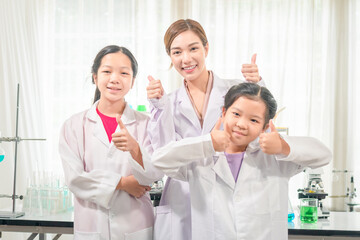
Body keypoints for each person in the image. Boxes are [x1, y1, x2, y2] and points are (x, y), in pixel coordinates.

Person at [151, 82, 332, 240]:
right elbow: (159, 160)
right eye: (236, 114)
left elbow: (324, 155)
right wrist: (208, 143)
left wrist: (284, 147)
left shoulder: (274, 159)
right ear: (224, 112)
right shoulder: (201, 158)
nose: (242, 124)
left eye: (254, 120)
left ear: (265, 126)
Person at [146, 19, 263, 240]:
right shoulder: (167, 102)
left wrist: (258, 86)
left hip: (228, 197)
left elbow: (259, 138)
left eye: (193, 48)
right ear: (170, 57)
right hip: (182, 200)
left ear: (206, 48)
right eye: (177, 52)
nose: (186, 59)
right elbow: (162, 156)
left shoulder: (235, 91)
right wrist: (158, 107)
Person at [59, 45, 162, 240]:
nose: (115, 79)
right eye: (107, 71)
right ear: (95, 77)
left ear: (132, 82)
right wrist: (122, 183)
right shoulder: (73, 126)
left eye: (124, 73)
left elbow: (154, 174)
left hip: (136, 225)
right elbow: (75, 179)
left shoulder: (146, 123)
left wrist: (134, 148)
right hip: (92, 225)